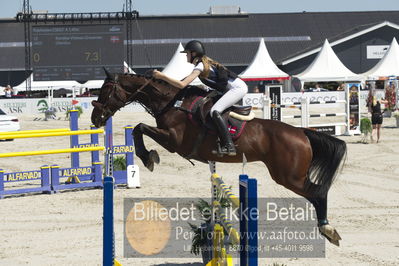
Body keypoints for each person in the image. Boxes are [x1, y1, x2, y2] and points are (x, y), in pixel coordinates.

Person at [153, 40, 248, 156]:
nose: (186, 56)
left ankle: (229, 145)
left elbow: (182, 84)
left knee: (214, 111)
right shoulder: (203, 64)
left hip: (237, 89)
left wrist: (162, 76)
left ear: (194, 54)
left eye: (187, 53)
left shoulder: (201, 66)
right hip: (232, 89)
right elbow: (183, 82)